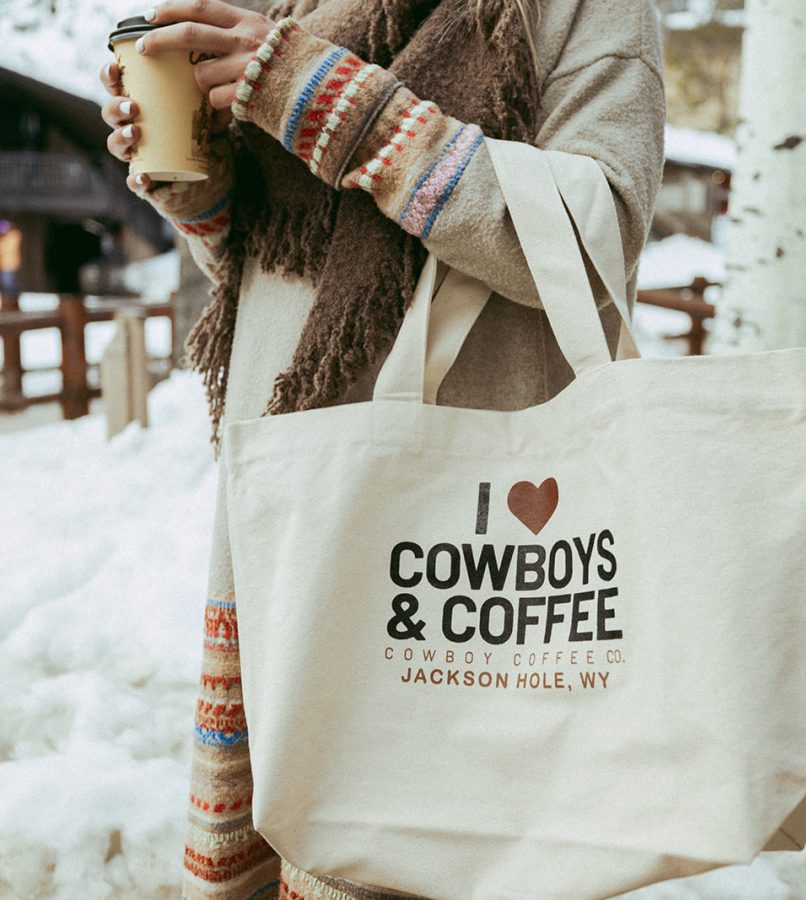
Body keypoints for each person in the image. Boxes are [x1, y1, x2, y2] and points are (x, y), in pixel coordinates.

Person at [100, 0, 665, 896]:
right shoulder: (292, 8)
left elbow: (594, 241)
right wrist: (198, 185)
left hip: (463, 529)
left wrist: (329, 101)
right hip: (289, 499)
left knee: (432, 842)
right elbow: (283, 269)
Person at [0, 219, 22, 296]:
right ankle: (13, 295)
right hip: (4, 264)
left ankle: (13, 296)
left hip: (9, 264)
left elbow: (4, 249)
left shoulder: (12, 237)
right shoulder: (3, 238)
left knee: (7, 282)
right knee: (8, 281)